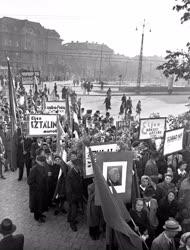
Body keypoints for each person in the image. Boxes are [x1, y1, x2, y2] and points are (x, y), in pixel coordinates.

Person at [27, 155, 48, 223]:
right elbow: (29, 181)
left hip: (42, 190)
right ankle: (37, 217)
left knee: (41, 204)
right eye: (41, 162)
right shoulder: (34, 169)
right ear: (37, 161)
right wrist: (38, 187)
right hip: (36, 192)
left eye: (43, 161)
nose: (42, 163)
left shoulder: (43, 167)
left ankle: (40, 214)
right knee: (36, 205)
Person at [66, 158, 83, 231]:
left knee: (71, 209)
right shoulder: (70, 174)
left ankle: (69, 219)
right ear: (75, 166)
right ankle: (72, 223)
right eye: (80, 165)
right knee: (74, 210)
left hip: (76, 195)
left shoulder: (78, 171)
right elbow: (69, 188)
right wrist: (73, 197)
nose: (81, 166)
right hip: (72, 196)